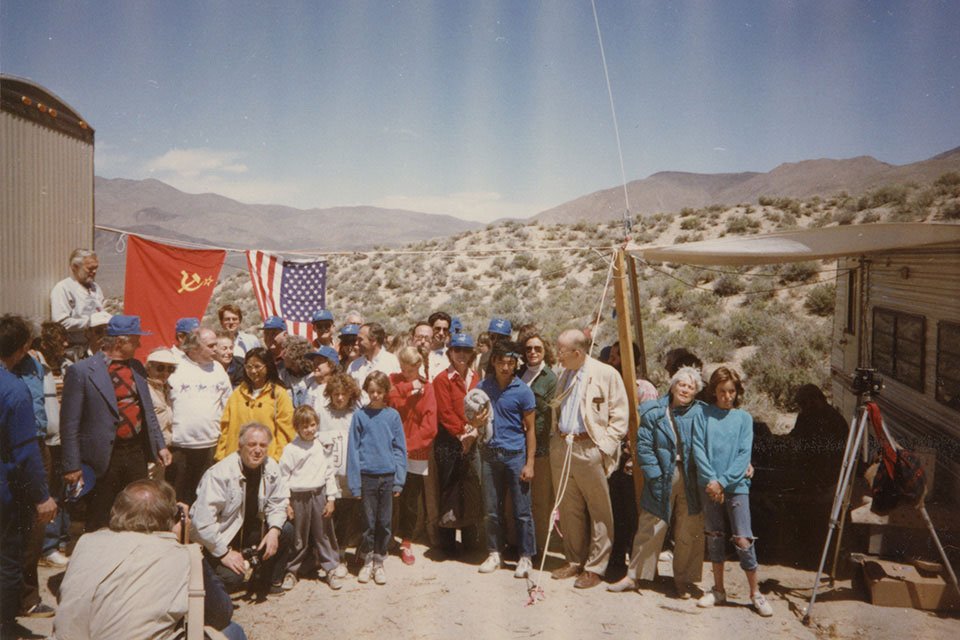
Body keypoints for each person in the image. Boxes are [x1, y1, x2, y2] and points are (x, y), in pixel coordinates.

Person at [53, 479, 246, 640]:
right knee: (232, 631)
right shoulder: (181, 554)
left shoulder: (86, 542)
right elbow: (221, 613)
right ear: (172, 518)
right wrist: (187, 542)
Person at [60, 315, 171, 531]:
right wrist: (72, 465)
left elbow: (147, 411)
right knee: (100, 514)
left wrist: (160, 445)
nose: (139, 343)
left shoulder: (137, 368)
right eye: (135, 339)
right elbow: (69, 424)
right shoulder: (82, 372)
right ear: (120, 342)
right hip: (102, 458)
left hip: (135, 452)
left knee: (137, 510)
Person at [608, 366, 705, 598]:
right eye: (682, 384)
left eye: (691, 387)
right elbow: (643, 445)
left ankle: (682, 580)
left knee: (688, 527)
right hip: (662, 473)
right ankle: (634, 576)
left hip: (691, 476)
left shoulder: (702, 413)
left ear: (696, 393)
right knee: (651, 523)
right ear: (672, 386)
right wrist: (653, 473)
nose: (685, 389)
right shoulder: (652, 410)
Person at [548, 329, 629, 589]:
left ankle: (596, 567)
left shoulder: (606, 374)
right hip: (563, 446)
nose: (557, 355)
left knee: (599, 510)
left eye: (561, 350)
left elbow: (620, 417)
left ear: (577, 352)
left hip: (589, 448)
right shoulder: (565, 373)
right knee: (569, 508)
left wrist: (603, 448)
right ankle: (574, 560)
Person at [692, 367, 773, 617]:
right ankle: (718, 589)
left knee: (743, 539)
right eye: (722, 391)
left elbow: (742, 455)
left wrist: (723, 482)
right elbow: (698, 450)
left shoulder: (743, 419)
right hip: (709, 484)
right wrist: (712, 481)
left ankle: (755, 593)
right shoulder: (702, 415)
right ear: (713, 392)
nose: (727, 396)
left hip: (736, 485)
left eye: (731, 391)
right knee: (714, 535)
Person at [191, 422, 294, 601]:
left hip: (251, 531)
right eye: (252, 445)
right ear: (240, 446)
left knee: (286, 530)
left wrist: (274, 530)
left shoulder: (271, 467)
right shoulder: (219, 473)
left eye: (262, 445)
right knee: (233, 578)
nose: (257, 450)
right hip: (221, 537)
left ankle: (265, 580)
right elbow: (202, 522)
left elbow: (278, 502)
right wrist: (223, 552)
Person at [1, 315, 57, 638]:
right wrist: (42, 496)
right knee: (8, 557)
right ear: (23, 349)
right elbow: (25, 452)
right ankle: (5, 624)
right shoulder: (15, 390)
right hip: (5, 490)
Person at [474, 340, 536, 578]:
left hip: (515, 456)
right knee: (491, 509)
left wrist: (529, 463)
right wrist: (476, 422)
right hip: (489, 454)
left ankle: (525, 557)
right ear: (494, 362)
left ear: (515, 364)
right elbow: (473, 418)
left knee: (522, 511)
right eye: (501, 362)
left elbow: (530, 429)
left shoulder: (523, 391)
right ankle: (494, 553)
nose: (506, 367)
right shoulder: (483, 386)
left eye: (511, 363)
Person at [605, 340, 659, 579]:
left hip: (633, 457)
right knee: (615, 509)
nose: (611, 360)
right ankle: (616, 558)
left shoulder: (643, 388)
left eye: (617, 356)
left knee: (634, 509)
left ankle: (642, 565)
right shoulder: (609, 384)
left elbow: (650, 424)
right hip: (611, 457)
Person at [347, 371, 407, 585]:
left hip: (388, 477)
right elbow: (353, 451)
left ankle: (379, 560)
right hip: (367, 478)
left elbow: (400, 449)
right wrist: (354, 484)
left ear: (386, 392)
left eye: (379, 392)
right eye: (371, 391)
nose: (375, 395)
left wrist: (399, 479)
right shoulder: (359, 417)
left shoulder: (392, 416)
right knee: (368, 522)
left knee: (384, 522)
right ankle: (367, 561)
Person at [166, 326, 232, 504]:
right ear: (194, 348)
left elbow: (228, 406)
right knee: (176, 499)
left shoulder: (218, 369)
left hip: (210, 446)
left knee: (204, 499)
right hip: (179, 447)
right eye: (211, 346)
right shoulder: (174, 368)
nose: (216, 350)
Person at [280, 405, 342, 590]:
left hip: (319, 494)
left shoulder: (322, 446)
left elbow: (329, 472)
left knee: (323, 533)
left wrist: (331, 498)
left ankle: (330, 567)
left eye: (313, 425)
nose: (309, 430)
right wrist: (286, 502)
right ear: (297, 428)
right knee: (299, 536)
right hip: (298, 497)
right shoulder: (291, 449)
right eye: (304, 426)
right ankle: (292, 570)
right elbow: (283, 477)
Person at [432, 332, 483, 555]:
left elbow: (482, 407)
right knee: (450, 490)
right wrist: (463, 433)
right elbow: (445, 412)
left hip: (472, 438)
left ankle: (471, 541)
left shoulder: (476, 378)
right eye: (457, 350)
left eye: (466, 350)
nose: (461, 355)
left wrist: (474, 432)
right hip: (449, 442)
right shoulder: (442, 379)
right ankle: (448, 543)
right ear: (450, 352)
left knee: (471, 488)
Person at [388, 347, 438, 566]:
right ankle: (387, 538)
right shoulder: (395, 380)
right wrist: (409, 386)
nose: (403, 372)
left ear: (418, 367)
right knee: (390, 496)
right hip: (392, 447)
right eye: (402, 368)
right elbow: (391, 400)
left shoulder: (428, 389)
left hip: (414, 450)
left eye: (408, 370)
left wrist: (408, 447)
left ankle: (406, 542)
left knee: (410, 499)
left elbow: (430, 427)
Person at [315, 373, 362, 574]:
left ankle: (341, 553)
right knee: (327, 514)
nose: (340, 398)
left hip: (348, 473)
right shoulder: (322, 413)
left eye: (343, 394)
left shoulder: (356, 414)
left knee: (346, 514)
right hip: (327, 474)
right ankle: (325, 555)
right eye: (336, 394)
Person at [517, 330, 558, 558]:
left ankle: (539, 547)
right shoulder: (519, 373)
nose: (533, 352)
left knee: (540, 501)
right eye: (529, 348)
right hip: (517, 445)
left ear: (545, 352)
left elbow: (548, 415)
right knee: (518, 497)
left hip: (540, 447)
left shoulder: (550, 379)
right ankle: (518, 544)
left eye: (538, 348)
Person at [215, 348, 294, 462]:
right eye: (249, 367)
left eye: (257, 366)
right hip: (235, 460)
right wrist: (221, 456)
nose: (253, 371)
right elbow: (226, 428)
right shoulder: (238, 393)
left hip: (265, 460)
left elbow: (286, 431)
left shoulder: (279, 394)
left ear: (268, 366)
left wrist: (277, 459)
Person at [37, 322, 72, 568]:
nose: (65, 345)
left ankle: (60, 539)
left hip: (65, 438)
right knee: (48, 492)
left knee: (63, 490)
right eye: (60, 341)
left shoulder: (67, 367)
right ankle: (46, 547)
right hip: (46, 440)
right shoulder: (35, 366)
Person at [50, 249, 105, 361]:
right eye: (90, 268)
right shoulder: (63, 288)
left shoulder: (95, 288)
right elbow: (61, 323)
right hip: (75, 352)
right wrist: (91, 322)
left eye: (96, 268)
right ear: (75, 267)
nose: (94, 272)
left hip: (96, 349)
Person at [145, 348, 178, 480]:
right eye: (160, 368)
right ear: (149, 367)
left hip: (164, 450)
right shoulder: (144, 389)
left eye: (170, 369)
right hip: (150, 451)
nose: (165, 373)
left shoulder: (166, 388)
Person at [348, 322, 401, 388]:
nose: (356, 343)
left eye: (360, 339)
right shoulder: (354, 365)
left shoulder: (391, 362)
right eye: (357, 339)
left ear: (374, 341)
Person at [278, 335, 313, 407]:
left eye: (285, 353)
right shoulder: (282, 376)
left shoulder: (312, 376)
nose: (282, 355)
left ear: (295, 356)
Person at [427, 311, 452, 380]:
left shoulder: (451, 357)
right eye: (437, 329)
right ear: (430, 328)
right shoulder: (420, 353)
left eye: (445, 330)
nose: (441, 333)